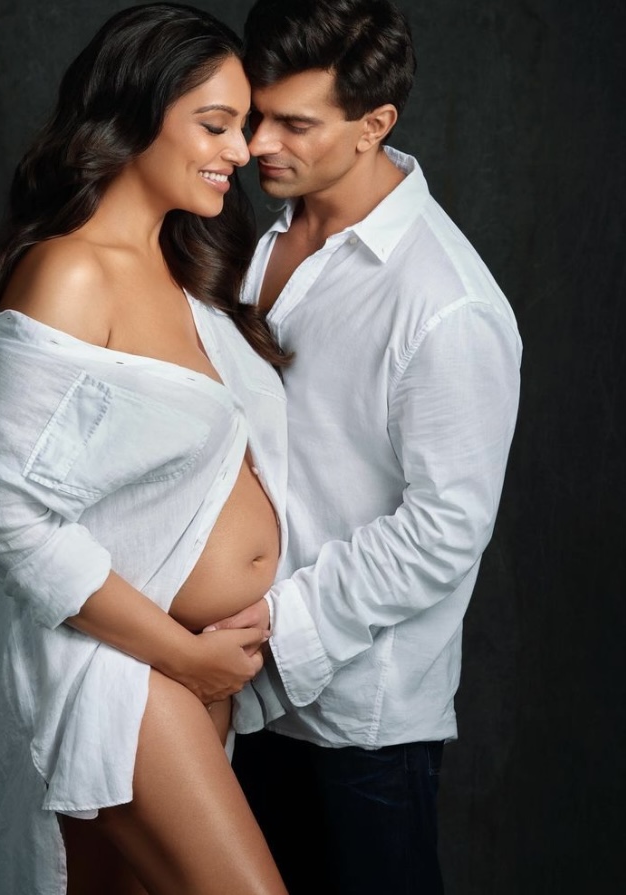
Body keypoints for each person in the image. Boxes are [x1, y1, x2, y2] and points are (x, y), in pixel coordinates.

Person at [0, 4, 292, 894]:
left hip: (190, 667)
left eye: (244, 126)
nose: (241, 151)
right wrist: (182, 656)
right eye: (215, 125)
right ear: (136, 114)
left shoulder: (191, 274)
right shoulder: (70, 271)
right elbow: (11, 520)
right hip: (116, 668)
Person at [205, 1, 523, 893]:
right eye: (256, 114)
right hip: (234, 693)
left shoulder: (448, 305)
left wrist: (282, 622)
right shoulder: (258, 233)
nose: (257, 144)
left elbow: (448, 525)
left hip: (359, 722)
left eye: (295, 124)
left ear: (375, 124)